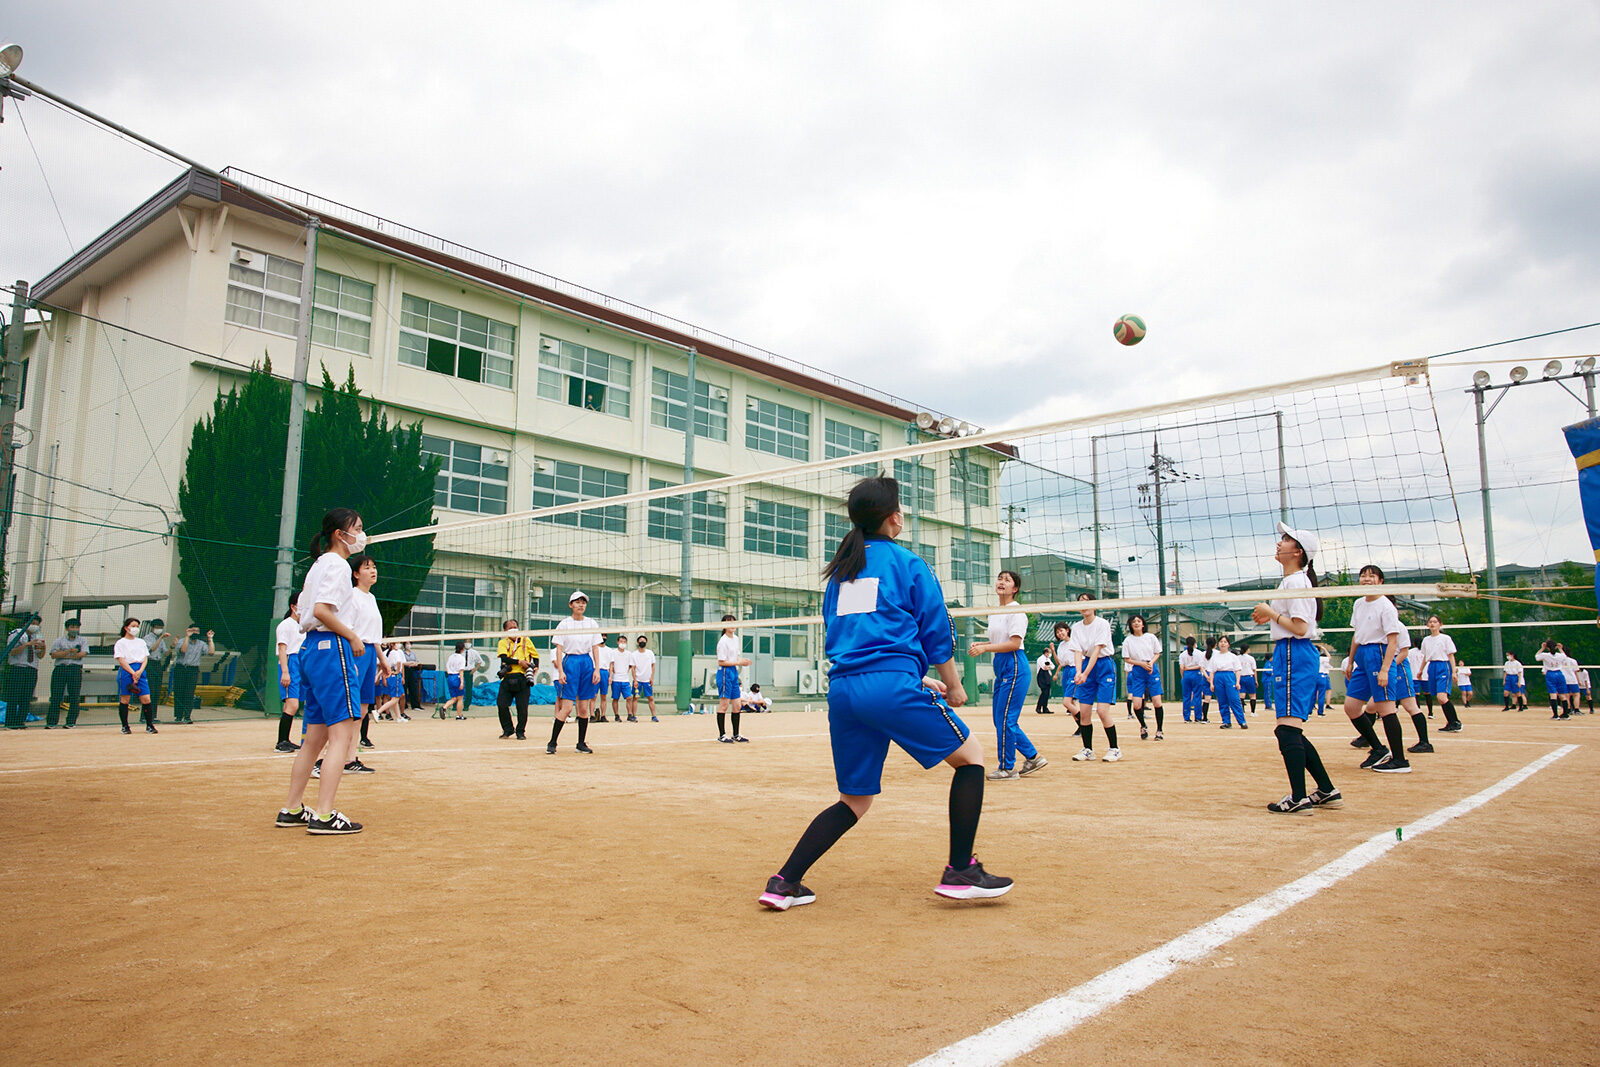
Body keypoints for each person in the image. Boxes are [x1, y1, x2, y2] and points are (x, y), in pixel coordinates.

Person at [758, 476, 1011, 911]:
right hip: (888, 686)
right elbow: (937, 632)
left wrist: (910, 676)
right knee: (971, 758)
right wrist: (952, 684)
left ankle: (783, 882)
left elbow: (856, 637)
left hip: (845, 690)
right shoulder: (908, 562)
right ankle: (960, 870)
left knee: (855, 799)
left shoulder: (842, 572)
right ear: (895, 517)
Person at [275, 507, 367, 835]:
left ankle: (292, 807)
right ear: (340, 535)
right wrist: (352, 635)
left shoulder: (317, 566)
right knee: (342, 734)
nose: (361, 534)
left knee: (313, 739)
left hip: (311, 650)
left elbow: (310, 612)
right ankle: (325, 815)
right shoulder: (337, 565)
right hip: (331, 649)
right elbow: (321, 611)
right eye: (357, 528)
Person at [1251, 522, 1341, 814]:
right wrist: (1271, 616)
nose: (1280, 543)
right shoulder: (1291, 581)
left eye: (1286, 539)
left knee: (1287, 730)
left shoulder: (1297, 582)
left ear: (1298, 551)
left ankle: (1299, 797)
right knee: (1291, 730)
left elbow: (1301, 628)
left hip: (1294, 652)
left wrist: (1271, 612)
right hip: (1290, 653)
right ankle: (1326, 789)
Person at [967, 569, 1044, 779]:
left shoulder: (1017, 611)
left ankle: (1007, 768)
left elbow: (1014, 643)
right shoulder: (995, 611)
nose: (1002, 582)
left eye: (1007, 580)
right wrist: (982, 644)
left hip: (1014, 665)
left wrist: (985, 650)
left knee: (1006, 719)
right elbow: (998, 641)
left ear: (1015, 588)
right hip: (1001, 665)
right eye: (999, 578)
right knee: (1000, 719)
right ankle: (1033, 757)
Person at [1341, 564, 1412, 774]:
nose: (1366, 579)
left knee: (1386, 708)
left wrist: (1385, 669)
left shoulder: (1387, 606)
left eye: (1372, 576)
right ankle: (1379, 749)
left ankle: (1400, 760)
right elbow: (1357, 634)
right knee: (1351, 707)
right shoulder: (1358, 603)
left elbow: (1393, 641)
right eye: (1363, 576)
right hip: (1362, 655)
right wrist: (1352, 659)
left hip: (1380, 654)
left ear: (1380, 581)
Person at [1068, 593, 1121, 762]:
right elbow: (1077, 651)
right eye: (1080, 603)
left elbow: (1097, 651)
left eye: (1087, 602)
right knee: (1084, 713)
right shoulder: (1076, 627)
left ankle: (1114, 748)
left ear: (1095, 605)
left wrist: (1085, 673)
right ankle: (1088, 749)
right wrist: (1078, 672)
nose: (1083, 605)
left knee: (1102, 711)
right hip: (1085, 665)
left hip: (1103, 665)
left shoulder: (1102, 624)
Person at [549, 590, 601, 754]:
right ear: (571, 605)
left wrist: (597, 669)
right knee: (567, 708)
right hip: (570, 662)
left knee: (584, 708)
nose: (581, 605)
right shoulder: (564, 624)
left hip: (586, 662)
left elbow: (595, 648)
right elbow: (559, 648)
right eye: (577, 602)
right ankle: (552, 742)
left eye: (583, 602)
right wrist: (561, 671)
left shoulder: (591, 623)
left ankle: (580, 743)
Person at [1121, 613, 1164, 740]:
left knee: (1157, 702)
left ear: (1143, 624)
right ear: (1130, 625)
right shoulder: (1128, 640)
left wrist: (1150, 663)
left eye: (1138, 621)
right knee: (1137, 704)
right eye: (1133, 622)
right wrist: (1141, 664)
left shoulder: (1150, 637)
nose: (1136, 623)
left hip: (1151, 669)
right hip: (1138, 671)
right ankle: (1143, 725)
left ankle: (1159, 730)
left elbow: (1157, 653)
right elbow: (1127, 659)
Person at [113, 617, 157, 734]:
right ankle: (125, 726)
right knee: (125, 699)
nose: (135, 628)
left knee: (146, 698)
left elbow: (145, 658)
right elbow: (121, 660)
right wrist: (133, 673)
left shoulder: (141, 642)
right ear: (126, 628)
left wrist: (140, 671)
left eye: (137, 626)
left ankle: (149, 725)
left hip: (140, 671)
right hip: (127, 671)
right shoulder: (120, 643)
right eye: (133, 626)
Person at [495, 619, 537, 740]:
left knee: (522, 707)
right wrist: (519, 662)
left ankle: (520, 731)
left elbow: (535, 656)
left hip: (522, 678)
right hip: (507, 677)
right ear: (505, 631)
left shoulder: (526, 640)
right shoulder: (503, 642)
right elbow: (504, 658)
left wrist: (535, 668)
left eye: (515, 627)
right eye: (510, 628)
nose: (514, 629)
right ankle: (508, 729)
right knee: (501, 705)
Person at [46, 617, 89, 729]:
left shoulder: (82, 640)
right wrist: (69, 652)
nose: (74, 629)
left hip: (75, 670)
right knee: (56, 696)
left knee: (74, 696)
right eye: (72, 627)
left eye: (76, 627)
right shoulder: (59, 640)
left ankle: (71, 722)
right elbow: (54, 655)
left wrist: (64, 654)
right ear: (67, 628)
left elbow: (82, 654)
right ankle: (51, 722)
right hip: (60, 669)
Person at [716, 615, 753, 743]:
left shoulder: (736, 639)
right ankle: (722, 735)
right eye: (729, 622)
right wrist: (739, 663)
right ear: (724, 626)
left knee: (737, 705)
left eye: (733, 621)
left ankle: (736, 734)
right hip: (725, 673)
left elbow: (736, 659)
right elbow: (722, 662)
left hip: (733, 672)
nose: (732, 624)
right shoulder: (723, 641)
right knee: (724, 705)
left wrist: (744, 661)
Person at [4, 616, 45, 729]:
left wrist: (43, 648)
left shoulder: (37, 635)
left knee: (26, 697)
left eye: (37, 624)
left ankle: (20, 721)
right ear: (26, 623)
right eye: (33, 623)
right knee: (14, 696)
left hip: (32, 669)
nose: (35, 626)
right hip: (18, 668)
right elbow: (11, 651)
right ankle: (10, 723)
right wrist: (27, 644)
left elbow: (40, 655)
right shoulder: (17, 633)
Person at [275, 603, 305, 752]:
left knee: (293, 705)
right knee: (292, 704)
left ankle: (285, 740)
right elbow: (282, 648)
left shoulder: (302, 626)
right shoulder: (285, 625)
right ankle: (281, 743)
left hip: (300, 664)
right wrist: (285, 671)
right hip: (290, 663)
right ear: (293, 607)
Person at [171, 623, 213, 724]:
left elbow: (211, 652)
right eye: (192, 630)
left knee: (189, 693)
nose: (195, 633)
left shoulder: (201, 643)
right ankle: (178, 716)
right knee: (179, 691)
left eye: (197, 631)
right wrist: (187, 637)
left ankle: (187, 716)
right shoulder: (182, 641)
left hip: (193, 669)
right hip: (181, 668)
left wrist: (210, 639)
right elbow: (183, 650)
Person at [1206, 635, 1247, 730]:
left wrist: (1237, 682)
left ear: (1228, 644)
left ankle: (1242, 721)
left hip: (1230, 677)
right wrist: (1211, 683)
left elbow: (1237, 670)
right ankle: (1226, 722)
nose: (1223, 644)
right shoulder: (1215, 657)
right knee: (1222, 701)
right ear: (1218, 644)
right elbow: (1211, 671)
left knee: (1234, 700)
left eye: (1225, 642)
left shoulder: (1233, 657)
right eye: (1221, 642)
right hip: (1218, 677)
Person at [630, 634, 658, 722]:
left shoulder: (650, 653)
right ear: (637, 643)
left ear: (646, 642)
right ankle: (634, 716)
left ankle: (654, 716)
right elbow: (633, 668)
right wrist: (634, 680)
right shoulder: (634, 654)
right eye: (641, 641)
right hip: (638, 680)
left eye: (644, 641)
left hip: (647, 680)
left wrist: (652, 678)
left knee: (650, 698)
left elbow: (653, 666)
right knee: (635, 698)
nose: (642, 642)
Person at [1052, 621, 1077, 723]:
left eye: (1061, 631)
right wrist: (1053, 651)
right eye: (1057, 632)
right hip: (1066, 671)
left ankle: (1083, 724)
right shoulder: (1061, 645)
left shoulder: (1075, 642)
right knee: (1070, 702)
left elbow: (1082, 658)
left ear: (1067, 630)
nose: (1059, 634)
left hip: (1074, 669)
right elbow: (1059, 663)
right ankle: (1081, 726)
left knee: (1068, 701)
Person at [1535, 639, 1564, 718]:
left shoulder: (1545, 655)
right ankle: (1566, 714)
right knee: (1562, 695)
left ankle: (1555, 715)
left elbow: (1536, 657)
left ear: (1547, 647)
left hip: (1551, 674)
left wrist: (1542, 648)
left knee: (1553, 695)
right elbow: (1564, 657)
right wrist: (1560, 649)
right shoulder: (1560, 655)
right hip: (1560, 674)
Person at [1178, 635, 1204, 723]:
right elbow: (1200, 666)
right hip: (1196, 674)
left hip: (1186, 675)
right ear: (1194, 643)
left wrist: (1183, 676)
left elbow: (1181, 667)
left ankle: (1186, 717)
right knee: (1197, 696)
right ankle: (1198, 717)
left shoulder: (1182, 654)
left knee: (1186, 696)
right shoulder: (1199, 653)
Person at [607, 635, 632, 722]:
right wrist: (610, 676)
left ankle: (629, 715)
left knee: (629, 697)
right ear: (617, 642)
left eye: (624, 642)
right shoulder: (613, 652)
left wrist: (625, 672)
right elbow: (611, 665)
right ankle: (616, 715)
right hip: (616, 679)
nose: (622, 643)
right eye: (621, 642)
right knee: (615, 698)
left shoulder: (629, 654)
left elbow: (630, 666)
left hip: (625, 679)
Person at [440, 642, 468, 719]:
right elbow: (461, 670)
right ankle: (459, 715)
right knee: (460, 698)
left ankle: (444, 707)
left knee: (453, 698)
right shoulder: (461, 658)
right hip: (457, 677)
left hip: (450, 677)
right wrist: (462, 682)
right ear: (462, 649)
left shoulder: (451, 657)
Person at [401, 641, 424, 713]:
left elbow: (416, 662)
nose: (408, 645)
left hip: (412, 670)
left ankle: (415, 705)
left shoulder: (413, 653)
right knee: (404, 687)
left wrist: (413, 664)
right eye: (407, 644)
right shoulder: (402, 653)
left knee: (414, 687)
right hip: (405, 670)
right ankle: (403, 705)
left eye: (409, 644)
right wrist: (410, 663)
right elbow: (403, 662)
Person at [1033, 645, 1056, 715]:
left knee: (1047, 692)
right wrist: (1049, 667)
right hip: (1041, 677)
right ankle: (1038, 707)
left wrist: (1048, 667)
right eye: (1049, 652)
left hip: (1047, 677)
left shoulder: (1047, 659)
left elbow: (1053, 666)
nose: (1049, 654)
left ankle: (1045, 708)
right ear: (1046, 653)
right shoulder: (1040, 659)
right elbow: (1044, 667)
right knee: (1044, 692)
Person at [1238, 646, 1259, 716]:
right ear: (1247, 649)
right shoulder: (1251, 658)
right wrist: (1256, 680)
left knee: (1241, 695)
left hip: (1241, 677)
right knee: (1252, 695)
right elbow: (1254, 670)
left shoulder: (1238, 658)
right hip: (1249, 677)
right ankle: (1253, 712)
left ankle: (1242, 711)